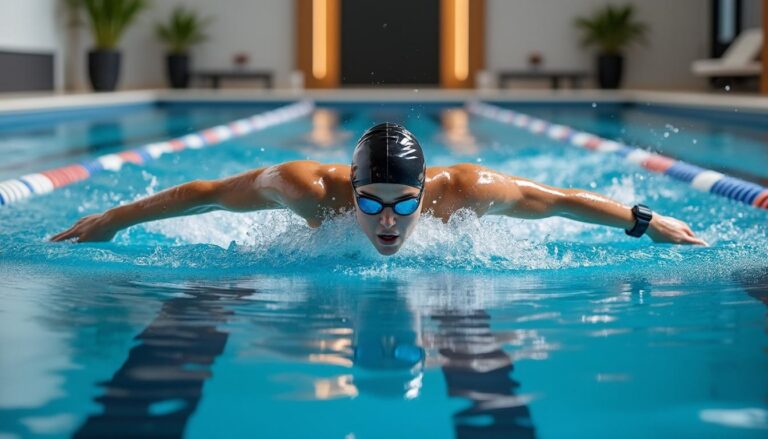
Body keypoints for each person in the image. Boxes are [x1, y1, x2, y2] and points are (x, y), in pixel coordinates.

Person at [51, 122, 707, 254]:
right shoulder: (307, 188)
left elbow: (561, 200)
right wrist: (115, 218)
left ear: (427, 193)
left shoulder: (465, 191)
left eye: (403, 203)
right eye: (371, 203)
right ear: (351, 191)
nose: (388, 222)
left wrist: (649, 221)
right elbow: (203, 192)